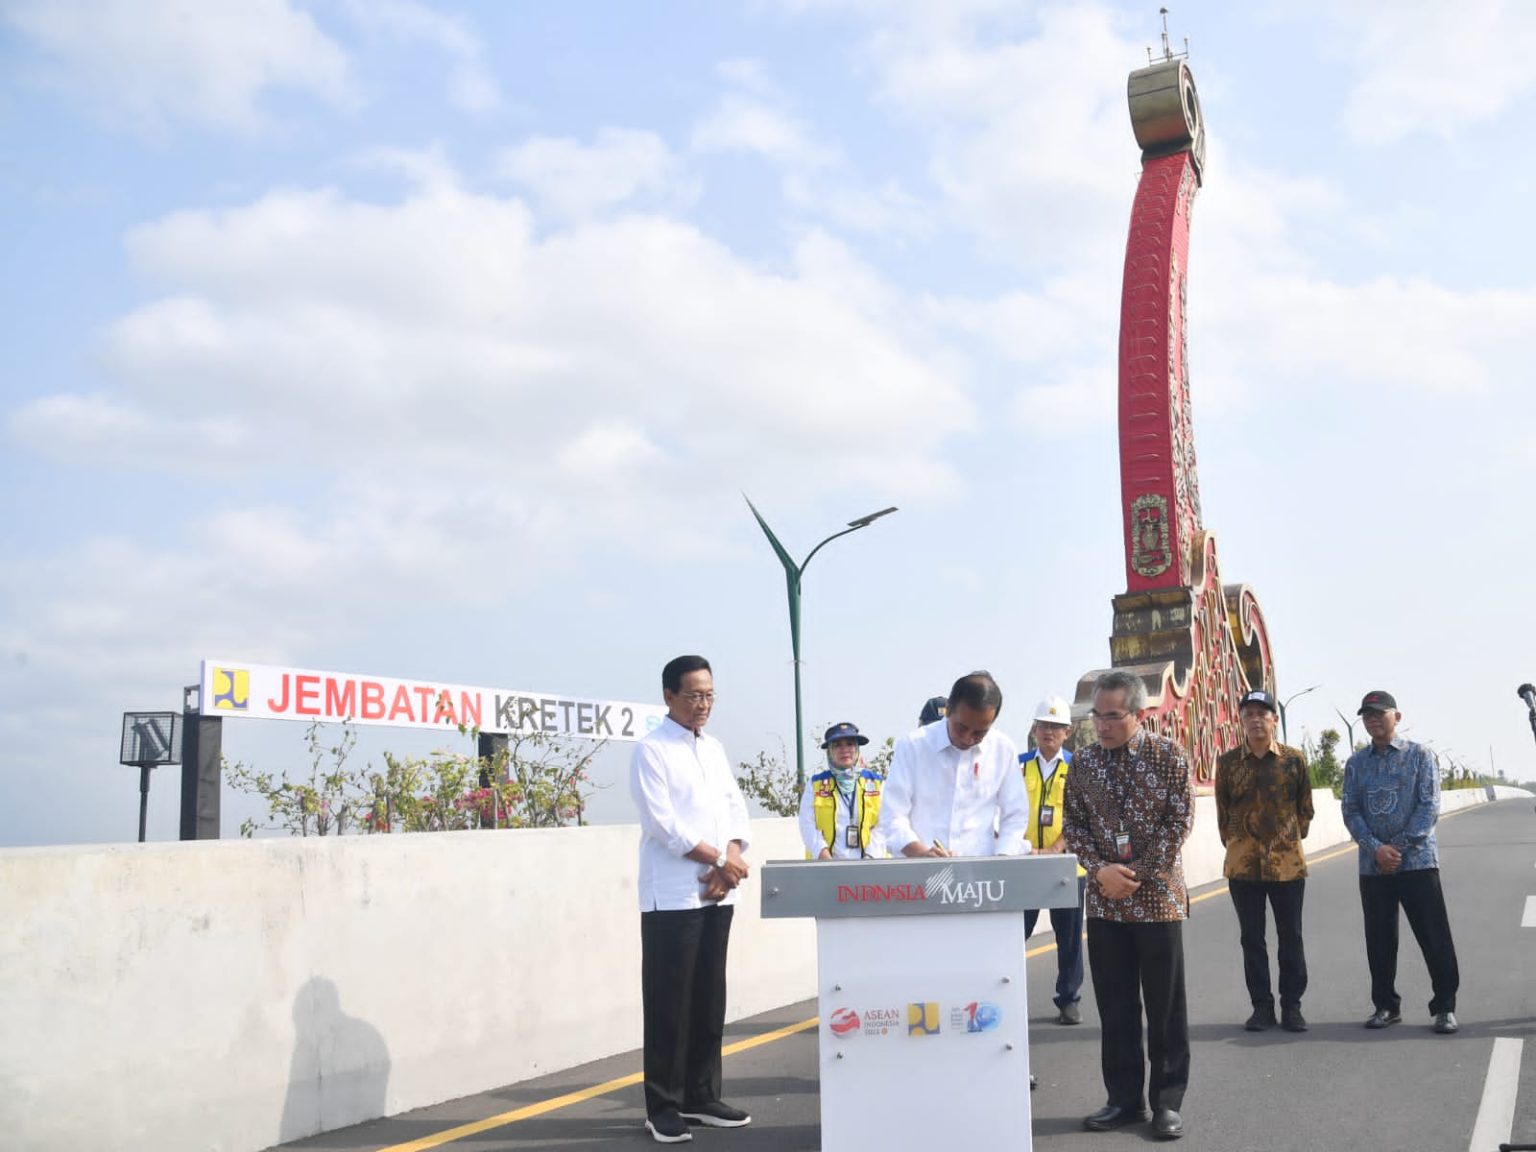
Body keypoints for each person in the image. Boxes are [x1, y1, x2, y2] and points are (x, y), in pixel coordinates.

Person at [1064, 669, 1193, 1141]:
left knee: (1165, 1008)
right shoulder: (1083, 764)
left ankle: (1166, 1103)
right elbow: (1073, 825)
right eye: (1096, 716)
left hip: (1157, 900)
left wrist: (1133, 875)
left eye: (1112, 716)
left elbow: (1177, 824)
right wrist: (1100, 870)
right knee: (1115, 1006)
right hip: (1104, 904)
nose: (1102, 725)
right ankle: (1123, 1099)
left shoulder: (1169, 757)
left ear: (1139, 714)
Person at [629, 655, 753, 1144]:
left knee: (708, 997)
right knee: (668, 1003)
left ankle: (702, 1095)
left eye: (709, 695)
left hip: (717, 892)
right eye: (693, 695)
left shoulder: (714, 748)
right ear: (668, 697)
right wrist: (718, 860)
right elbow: (664, 825)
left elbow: (734, 808)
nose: (703, 705)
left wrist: (733, 855)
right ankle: (663, 1104)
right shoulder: (651, 750)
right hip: (673, 894)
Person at [1340, 689, 1460, 1035]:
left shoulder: (1420, 755)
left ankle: (1445, 1007)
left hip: (1418, 863)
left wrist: (1399, 849)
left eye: (1380, 713)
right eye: (1367, 715)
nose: (1373, 719)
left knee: (1434, 937)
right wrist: (1376, 849)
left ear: (1397, 717)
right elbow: (1350, 810)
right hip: (1373, 867)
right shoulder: (1356, 764)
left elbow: (1429, 807)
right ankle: (1385, 1005)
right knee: (1379, 939)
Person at [1215, 689, 1314, 1033]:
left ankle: (1292, 1006)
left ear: (1274, 719)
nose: (1256, 719)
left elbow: (1305, 811)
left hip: (1287, 867)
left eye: (1263, 713)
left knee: (1291, 937)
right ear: (1240, 721)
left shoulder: (1294, 760)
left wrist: (1284, 842)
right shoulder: (1227, 764)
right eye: (1249, 714)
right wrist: (1242, 844)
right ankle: (1261, 1007)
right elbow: (1222, 813)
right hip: (1243, 868)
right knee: (1251, 940)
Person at [877, 671, 1031, 859]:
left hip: (980, 877)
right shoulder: (913, 746)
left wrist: (1002, 857)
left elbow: (1015, 816)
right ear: (948, 710)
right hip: (917, 871)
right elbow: (892, 816)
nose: (968, 738)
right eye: (961, 728)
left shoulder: (1003, 750)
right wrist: (921, 853)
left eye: (979, 733)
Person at [1020, 694, 1087, 1025]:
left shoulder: (1078, 767)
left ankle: (1068, 999)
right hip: (1023, 865)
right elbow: (1003, 811)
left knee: (1069, 936)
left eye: (1056, 726)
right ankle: (1010, 994)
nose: (1049, 732)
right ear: (1034, 729)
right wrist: (1022, 848)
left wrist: (1055, 848)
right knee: (1015, 933)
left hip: (1067, 865)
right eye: (1044, 725)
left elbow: (1082, 818)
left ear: (1068, 732)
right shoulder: (1017, 766)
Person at [799, 722, 886, 859]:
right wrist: (824, 856)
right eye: (837, 745)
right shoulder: (815, 784)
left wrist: (870, 858)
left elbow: (885, 823)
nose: (844, 750)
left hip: (871, 869)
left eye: (850, 744)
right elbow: (807, 824)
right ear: (830, 751)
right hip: (826, 869)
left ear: (857, 749)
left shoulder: (877, 783)